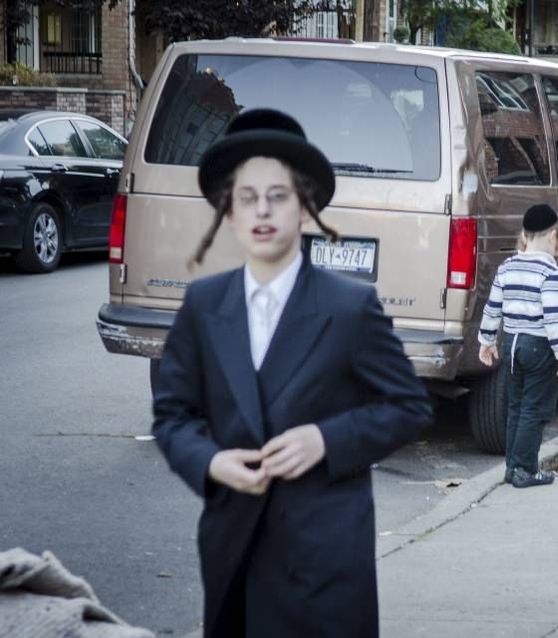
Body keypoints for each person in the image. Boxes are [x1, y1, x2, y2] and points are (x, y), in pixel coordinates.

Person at [151, 108, 433, 638]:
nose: (262, 210)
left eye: (278, 196)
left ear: (305, 208)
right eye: (246, 197)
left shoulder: (350, 307)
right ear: (228, 214)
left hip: (325, 558)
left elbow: (408, 406)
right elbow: (172, 417)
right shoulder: (203, 305)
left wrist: (326, 439)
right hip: (234, 548)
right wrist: (211, 463)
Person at [478, 204, 558, 488]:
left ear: (526, 234)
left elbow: (492, 307)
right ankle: (526, 469)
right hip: (538, 345)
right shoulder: (550, 272)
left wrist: (486, 340)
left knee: (516, 406)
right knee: (536, 408)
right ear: (554, 233)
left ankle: (512, 467)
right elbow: (553, 318)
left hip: (511, 344)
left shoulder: (507, 266)